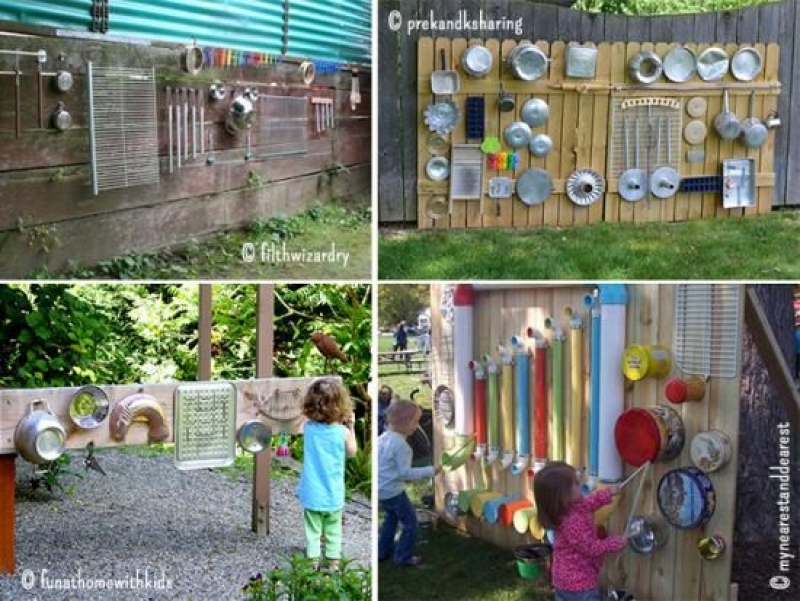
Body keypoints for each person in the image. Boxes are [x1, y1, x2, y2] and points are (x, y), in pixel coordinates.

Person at [533, 461, 627, 601]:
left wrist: (609, 493)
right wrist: (616, 542)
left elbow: (589, 503)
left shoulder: (569, 507)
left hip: (563, 581)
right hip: (579, 585)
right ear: (563, 495)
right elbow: (592, 548)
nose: (580, 484)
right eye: (576, 484)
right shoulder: (572, 522)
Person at [297, 378, 358, 570]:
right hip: (333, 493)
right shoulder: (342, 433)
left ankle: (313, 561)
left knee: (313, 530)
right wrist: (351, 427)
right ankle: (333, 563)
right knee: (333, 529)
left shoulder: (308, 429)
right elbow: (352, 452)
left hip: (312, 493)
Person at [378, 399, 441, 566]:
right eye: (415, 422)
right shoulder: (402, 446)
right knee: (410, 522)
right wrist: (431, 471)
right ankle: (403, 556)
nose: (416, 426)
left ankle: (382, 551)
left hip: (381, 490)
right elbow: (405, 474)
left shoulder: (383, 438)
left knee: (391, 519)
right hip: (393, 492)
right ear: (405, 423)